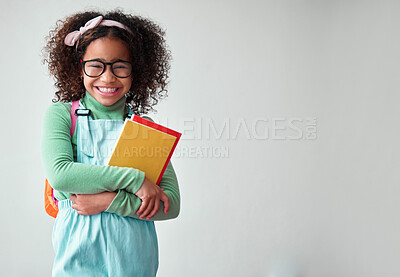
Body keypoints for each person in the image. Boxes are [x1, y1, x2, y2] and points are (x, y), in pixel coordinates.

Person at [41, 10, 180, 277]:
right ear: (78, 66)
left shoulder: (143, 127)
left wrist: (110, 201)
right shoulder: (62, 116)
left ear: (134, 71)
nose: (107, 77)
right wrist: (135, 181)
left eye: (120, 66)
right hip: (77, 261)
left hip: (136, 262)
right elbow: (62, 175)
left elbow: (170, 204)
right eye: (96, 65)